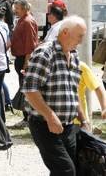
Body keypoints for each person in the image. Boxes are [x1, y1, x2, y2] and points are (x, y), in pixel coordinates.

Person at [22, 16, 89, 176]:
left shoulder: (73, 55)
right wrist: (50, 116)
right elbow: (30, 90)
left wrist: (83, 119)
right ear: (65, 32)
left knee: (72, 167)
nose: (81, 41)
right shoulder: (45, 53)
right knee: (65, 171)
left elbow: (72, 92)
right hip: (44, 124)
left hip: (68, 126)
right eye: (79, 36)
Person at [11, 0, 39, 128]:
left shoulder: (27, 22)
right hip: (20, 58)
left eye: (17, 8)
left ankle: (28, 118)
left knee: (26, 89)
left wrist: (26, 64)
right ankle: (27, 117)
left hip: (24, 59)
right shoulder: (23, 20)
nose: (15, 11)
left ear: (24, 8)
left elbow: (30, 46)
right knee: (24, 88)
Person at [75, 62, 106, 131]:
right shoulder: (49, 66)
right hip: (54, 120)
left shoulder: (81, 66)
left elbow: (97, 87)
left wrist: (104, 108)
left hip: (80, 122)